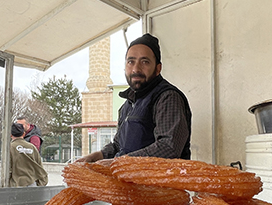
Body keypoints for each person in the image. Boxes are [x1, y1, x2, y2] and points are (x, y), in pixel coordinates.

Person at [76, 33, 191, 162]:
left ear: (158, 68)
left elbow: (168, 148)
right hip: (128, 180)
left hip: (160, 182)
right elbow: (118, 146)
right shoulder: (127, 106)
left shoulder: (167, 98)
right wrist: (93, 157)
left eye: (145, 62)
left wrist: (118, 162)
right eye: (131, 62)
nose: (136, 68)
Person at [8, 123, 48, 187]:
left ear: (10, 135)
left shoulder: (9, 148)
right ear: (24, 134)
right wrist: (41, 183)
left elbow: (8, 169)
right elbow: (39, 167)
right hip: (31, 184)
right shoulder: (32, 147)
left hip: (15, 185)